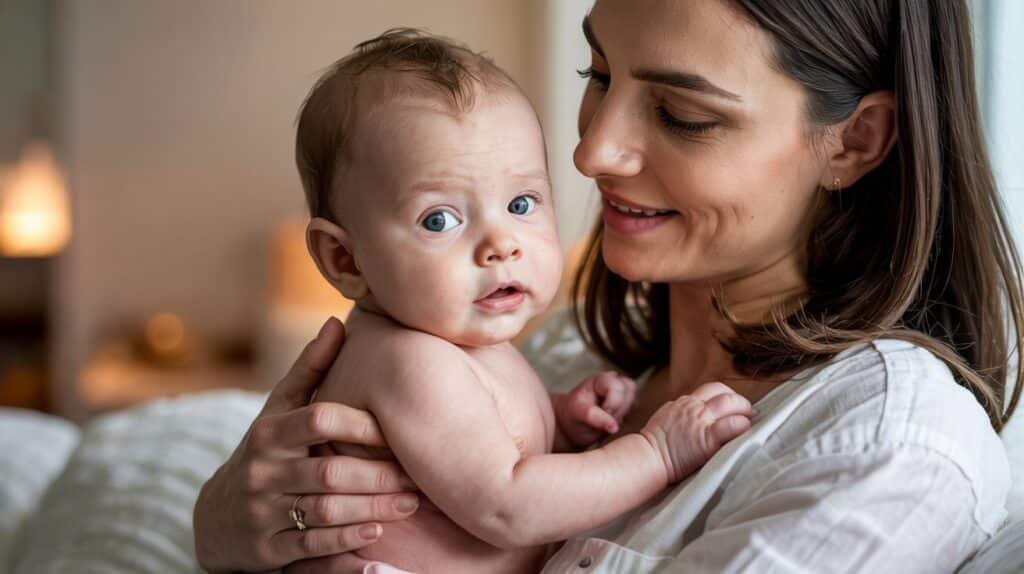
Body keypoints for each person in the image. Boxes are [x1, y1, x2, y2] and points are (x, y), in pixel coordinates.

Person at [194, 0, 1023, 572]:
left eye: (683, 114)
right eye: (598, 74)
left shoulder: (884, 448)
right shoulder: (558, 342)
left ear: (855, 141)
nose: (591, 154)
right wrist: (231, 525)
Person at [285, 28, 755, 573]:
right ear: (346, 260)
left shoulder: (451, 341)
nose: (501, 244)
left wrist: (559, 419)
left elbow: (481, 437)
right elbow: (506, 505)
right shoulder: (407, 360)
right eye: (439, 219)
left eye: (522, 202)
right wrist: (655, 453)